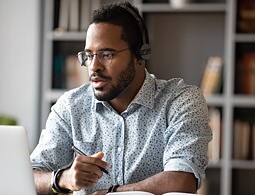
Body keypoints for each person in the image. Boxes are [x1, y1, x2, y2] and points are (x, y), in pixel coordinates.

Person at [30, 1, 212, 195]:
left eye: (107, 54)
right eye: (89, 55)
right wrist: (61, 178)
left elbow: (181, 180)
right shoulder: (71, 106)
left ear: (140, 55)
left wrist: (112, 193)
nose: (94, 66)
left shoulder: (181, 101)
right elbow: (30, 176)